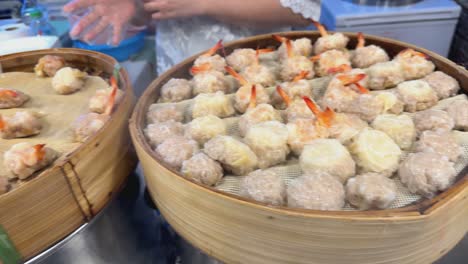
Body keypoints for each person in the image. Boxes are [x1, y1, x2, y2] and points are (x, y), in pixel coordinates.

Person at [64, 0, 321, 75]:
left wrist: (203, 4)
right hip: (181, 73)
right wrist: (134, 8)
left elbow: (302, 10)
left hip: (263, 70)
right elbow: (154, 14)